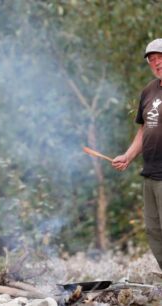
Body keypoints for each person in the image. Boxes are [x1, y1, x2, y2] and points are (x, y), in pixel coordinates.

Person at [112, 38, 162, 270]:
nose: (157, 63)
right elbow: (144, 129)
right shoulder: (149, 91)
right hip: (150, 174)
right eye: (152, 60)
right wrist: (128, 156)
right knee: (153, 230)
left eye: (160, 57)